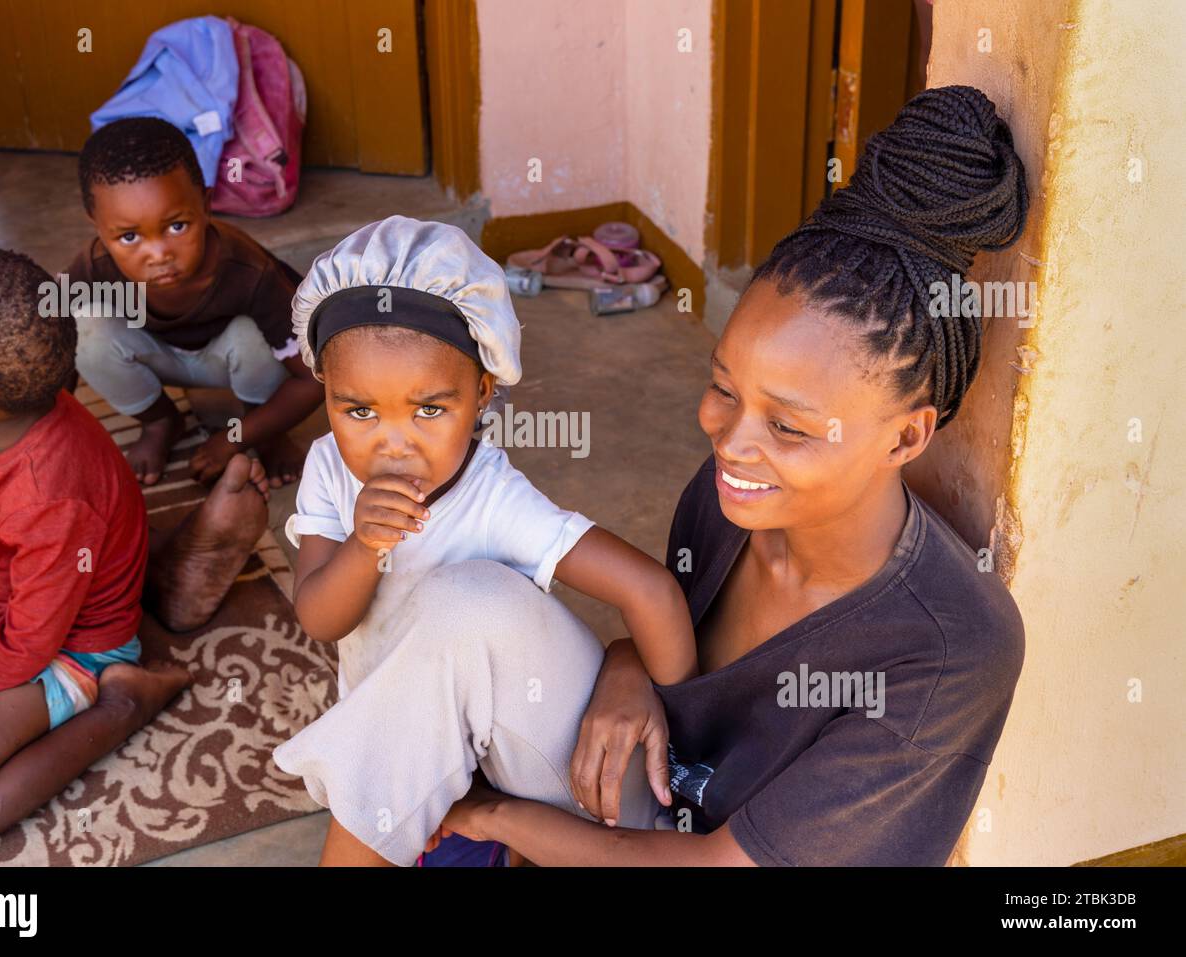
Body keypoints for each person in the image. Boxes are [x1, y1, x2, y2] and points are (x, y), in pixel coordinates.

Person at [434, 85, 1030, 865]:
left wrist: (499, 817)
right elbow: (670, 649)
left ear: (907, 436)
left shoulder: (950, 645)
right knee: (466, 602)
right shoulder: (732, 503)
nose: (730, 440)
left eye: (787, 426)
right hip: (655, 810)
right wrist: (624, 665)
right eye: (723, 388)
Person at [272, 216, 696, 866]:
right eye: (358, 410)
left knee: (464, 605)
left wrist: (664, 710)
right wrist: (363, 543)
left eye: (430, 409)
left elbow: (650, 588)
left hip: (515, 758)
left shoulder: (495, 499)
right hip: (427, 750)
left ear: (481, 396)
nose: (392, 440)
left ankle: (623, 821)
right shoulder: (332, 468)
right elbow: (321, 617)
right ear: (325, 393)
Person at [0, 246, 269, 856]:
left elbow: (23, 651)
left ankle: (122, 704)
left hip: (59, 654)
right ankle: (165, 569)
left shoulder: (49, 499)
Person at [69, 116, 323, 488]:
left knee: (258, 335)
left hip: (231, 361)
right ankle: (160, 421)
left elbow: (313, 379)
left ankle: (262, 431)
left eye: (176, 226)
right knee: (78, 327)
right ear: (97, 226)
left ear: (205, 206)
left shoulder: (249, 270)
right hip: (159, 359)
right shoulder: (95, 266)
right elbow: (49, 346)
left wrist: (231, 439)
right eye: (128, 237)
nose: (158, 254)